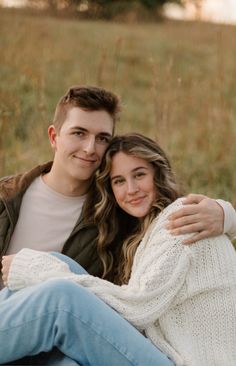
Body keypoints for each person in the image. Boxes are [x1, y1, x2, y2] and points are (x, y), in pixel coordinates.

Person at [0, 133, 235, 366]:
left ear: (158, 174)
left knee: (62, 297)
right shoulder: (145, 231)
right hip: (165, 354)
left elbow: (136, 307)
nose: (131, 189)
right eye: (119, 181)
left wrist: (38, 270)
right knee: (58, 269)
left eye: (139, 175)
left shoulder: (182, 220)